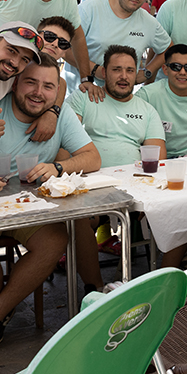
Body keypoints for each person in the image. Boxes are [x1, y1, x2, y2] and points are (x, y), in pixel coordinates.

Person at [0, 55, 101, 352]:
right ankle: (3, 308)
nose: (38, 92)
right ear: (14, 84)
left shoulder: (61, 115)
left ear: (56, 91)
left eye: (48, 86)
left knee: (55, 240)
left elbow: (92, 157)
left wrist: (58, 167)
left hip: (29, 207)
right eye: (30, 82)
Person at [67, 45, 165, 290]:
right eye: (116, 69)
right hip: (88, 184)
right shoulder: (84, 97)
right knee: (78, 221)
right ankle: (96, 290)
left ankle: (160, 283)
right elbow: (64, 141)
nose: (123, 76)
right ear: (104, 72)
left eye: (130, 70)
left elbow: (157, 157)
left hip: (134, 186)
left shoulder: (146, 110)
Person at [76, 0, 172, 92]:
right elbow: (65, 47)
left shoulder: (148, 21)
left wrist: (147, 72)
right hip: (80, 94)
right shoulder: (89, 9)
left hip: (121, 99)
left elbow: (169, 48)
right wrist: (94, 69)